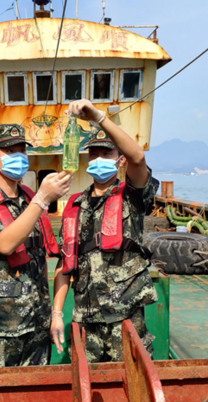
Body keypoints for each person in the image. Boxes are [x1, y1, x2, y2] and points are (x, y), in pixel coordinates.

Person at [51, 100, 157, 363]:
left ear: (119, 159)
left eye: (106, 154)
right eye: (94, 154)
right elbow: (65, 265)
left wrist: (99, 118)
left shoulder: (132, 195)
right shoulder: (75, 204)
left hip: (126, 316)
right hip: (87, 318)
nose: (98, 159)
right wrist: (56, 313)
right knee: (90, 386)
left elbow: (138, 157)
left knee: (133, 383)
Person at [0, 124, 73, 368]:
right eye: (10, 151)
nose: (19, 158)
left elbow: (41, 260)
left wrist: (55, 313)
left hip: (37, 327)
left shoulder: (30, 200)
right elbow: (4, 244)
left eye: (22, 151)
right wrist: (42, 199)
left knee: (35, 397)